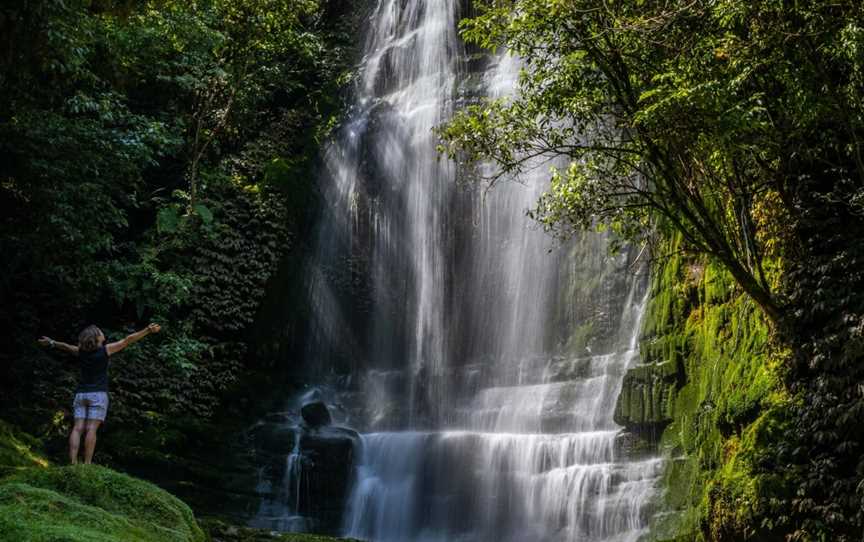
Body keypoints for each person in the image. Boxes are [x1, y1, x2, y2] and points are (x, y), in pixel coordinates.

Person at [38, 323, 161, 464]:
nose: (103, 334)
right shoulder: (105, 350)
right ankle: (87, 464)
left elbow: (65, 346)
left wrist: (51, 342)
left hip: (81, 395)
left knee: (78, 428)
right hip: (98, 395)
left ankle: (73, 462)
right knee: (91, 429)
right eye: (101, 332)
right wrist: (147, 330)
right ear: (97, 338)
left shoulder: (81, 352)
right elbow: (128, 340)